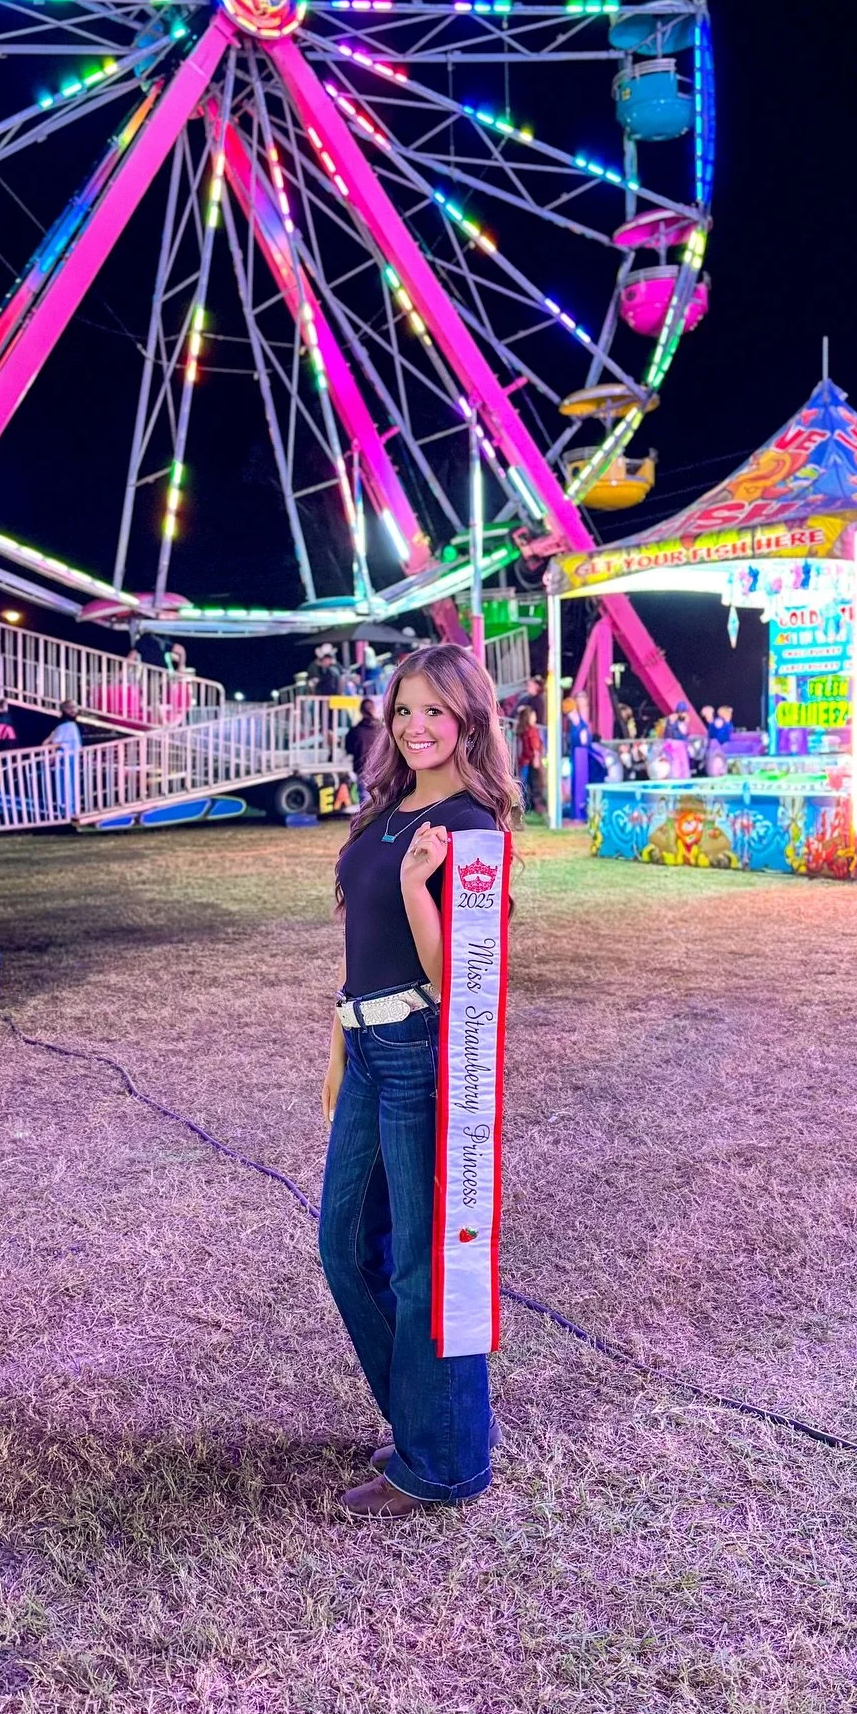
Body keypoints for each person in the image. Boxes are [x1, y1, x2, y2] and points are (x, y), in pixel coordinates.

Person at [321, 643, 516, 1518]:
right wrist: (337, 1047)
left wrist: (414, 891)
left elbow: (468, 983)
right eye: (403, 710)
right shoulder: (389, 808)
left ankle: (441, 1462)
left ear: (469, 718)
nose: (416, 726)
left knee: (420, 1266)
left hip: (422, 1051)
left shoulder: (472, 829)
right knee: (343, 1246)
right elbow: (355, 949)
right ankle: (427, 1419)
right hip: (364, 1046)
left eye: (435, 710)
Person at [45, 699, 83, 817]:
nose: (73, 710)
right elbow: (51, 742)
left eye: (74, 708)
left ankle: (70, 809)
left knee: (70, 784)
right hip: (65, 759)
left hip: (70, 758)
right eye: (70, 708)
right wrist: (51, 756)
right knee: (67, 784)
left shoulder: (69, 725)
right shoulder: (65, 725)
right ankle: (68, 810)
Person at [344, 697, 385, 801]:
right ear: (374, 710)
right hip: (380, 769)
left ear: (361, 711)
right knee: (381, 800)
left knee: (365, 800)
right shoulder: (382, 730)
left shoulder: (355, 731)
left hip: (362, 769)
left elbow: (348, 749)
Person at [514, 703, 544, 813]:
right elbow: (535, 746)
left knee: (524, 783)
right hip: (529, 760)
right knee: (531, 784)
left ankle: (524, 806)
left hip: (524, 760)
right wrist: (536, 756)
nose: (535, 718)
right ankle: (528, 806)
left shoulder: (522, 730)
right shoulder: (531, 731)